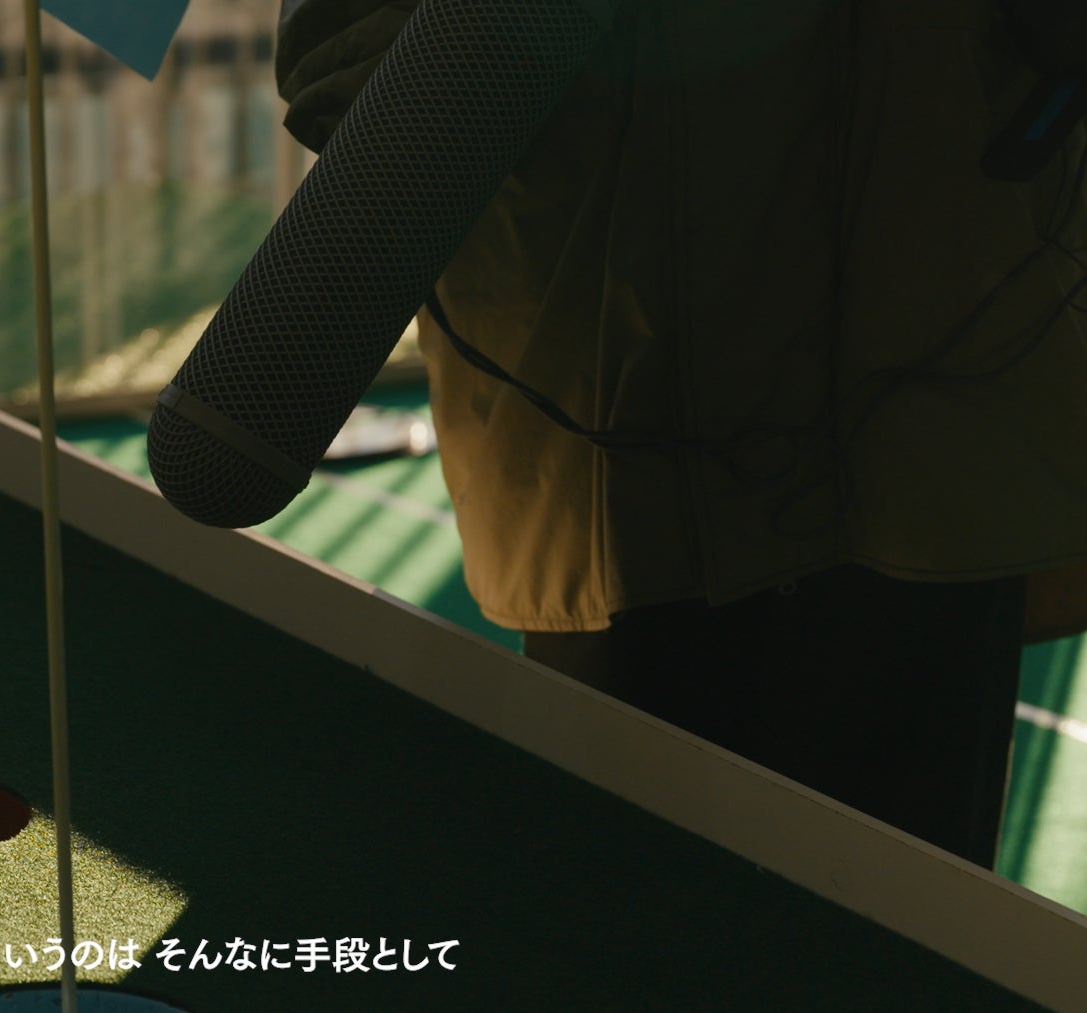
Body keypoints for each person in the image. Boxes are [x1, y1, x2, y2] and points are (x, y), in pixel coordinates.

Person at [274, 0, 1087, 869]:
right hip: (634, 474)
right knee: (629, 910)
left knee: (917, 923)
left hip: (947, 426)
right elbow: (345, 63)